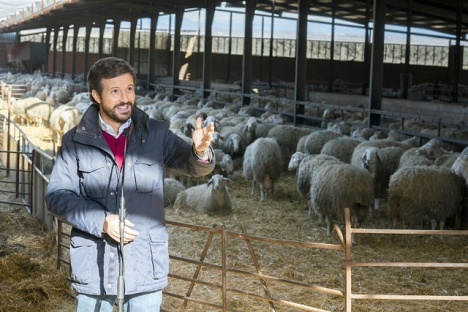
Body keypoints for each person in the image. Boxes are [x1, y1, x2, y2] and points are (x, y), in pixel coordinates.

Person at [45, 57, 215, 311]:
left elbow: (192, 165)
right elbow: (57, 195)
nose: (125, 98)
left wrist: (200, 151)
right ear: (96, 95)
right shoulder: (75, 141)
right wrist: (102, 221)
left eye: (130, 89)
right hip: (95, 266)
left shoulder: (155, 133)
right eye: (115, 91)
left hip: (144, 265)